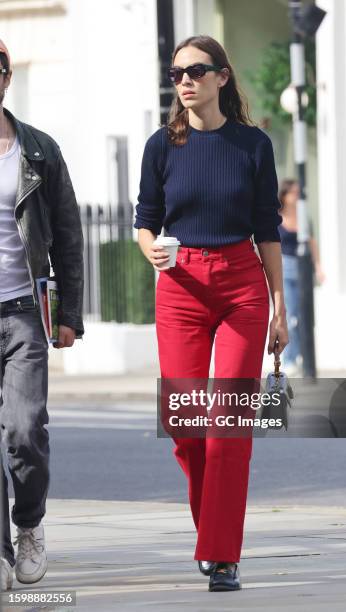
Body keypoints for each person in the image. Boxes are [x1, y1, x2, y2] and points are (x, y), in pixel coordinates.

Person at [135, 35, 288, 592]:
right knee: (186, 426)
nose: (185, 81)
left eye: (196, 71)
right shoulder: (161, 145)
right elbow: (144, 217)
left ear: (222, 77)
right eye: (176, 73)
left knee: (228, 427)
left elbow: (268, 230)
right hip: (179, 288)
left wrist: (280, 308)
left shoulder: (253, 145)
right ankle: (212, 534)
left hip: (242, 286)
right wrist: (147, 246)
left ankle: (223, 556)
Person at [0, 40, 84, 591]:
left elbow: (70, 235)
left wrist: (69, 313)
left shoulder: (38, 150)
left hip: (26, 312)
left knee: (26, 430)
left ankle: (28, 525)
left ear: (6, 78)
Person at [278, 178, 325, 375]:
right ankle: (290, 358)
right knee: (289, 314)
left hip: (303, 270)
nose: (297, 197)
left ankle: (299, 355)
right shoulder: (277, 217)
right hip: (284, 267)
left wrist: (318, 267)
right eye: (293, 193)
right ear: (285, 196)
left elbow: (312, 243)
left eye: (299, 193)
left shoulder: (304, 217)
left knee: (303, 316)